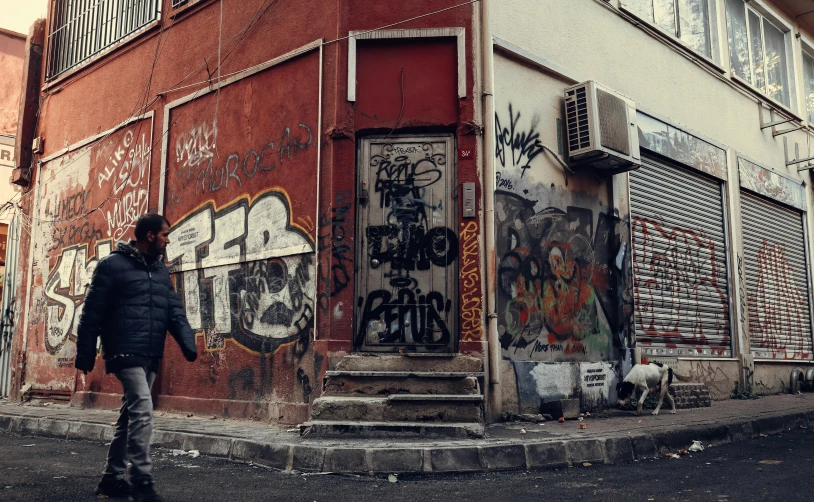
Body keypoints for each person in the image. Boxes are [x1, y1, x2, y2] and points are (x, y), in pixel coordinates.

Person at [75, 213, 197, 502]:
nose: (168, 240)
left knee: (129, 415)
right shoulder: (112, 266)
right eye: (165, 234)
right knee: (143, 407)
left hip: (150, 352)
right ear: (150, 236)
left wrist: (187, 342)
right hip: (123, 349)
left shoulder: (159, 271)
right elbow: (92, 313)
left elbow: (174, 309)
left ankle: (111, 478)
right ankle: (141, 478)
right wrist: (85, 353)